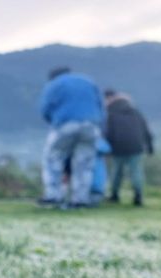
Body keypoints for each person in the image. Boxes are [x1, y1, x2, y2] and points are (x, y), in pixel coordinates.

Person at [39, 67, 104, 208]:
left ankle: (53, 196)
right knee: (84, 163)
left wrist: (53, 122)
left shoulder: (54, 84)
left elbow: (45, 108)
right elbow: (100, 106)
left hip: (65, 124)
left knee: (53, 159)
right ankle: (80, 200)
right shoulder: (88, 81)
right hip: (91, 125)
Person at [104, 90, 154, 206]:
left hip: (118, 146)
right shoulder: (136, 112)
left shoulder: (111, 113)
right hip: (136, 146)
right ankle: (138, 196)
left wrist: (107, 148)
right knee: (136, 171)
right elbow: (146, 130)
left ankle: (114, 195)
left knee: (117, 171)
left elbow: (108, 132)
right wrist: (150, 147)